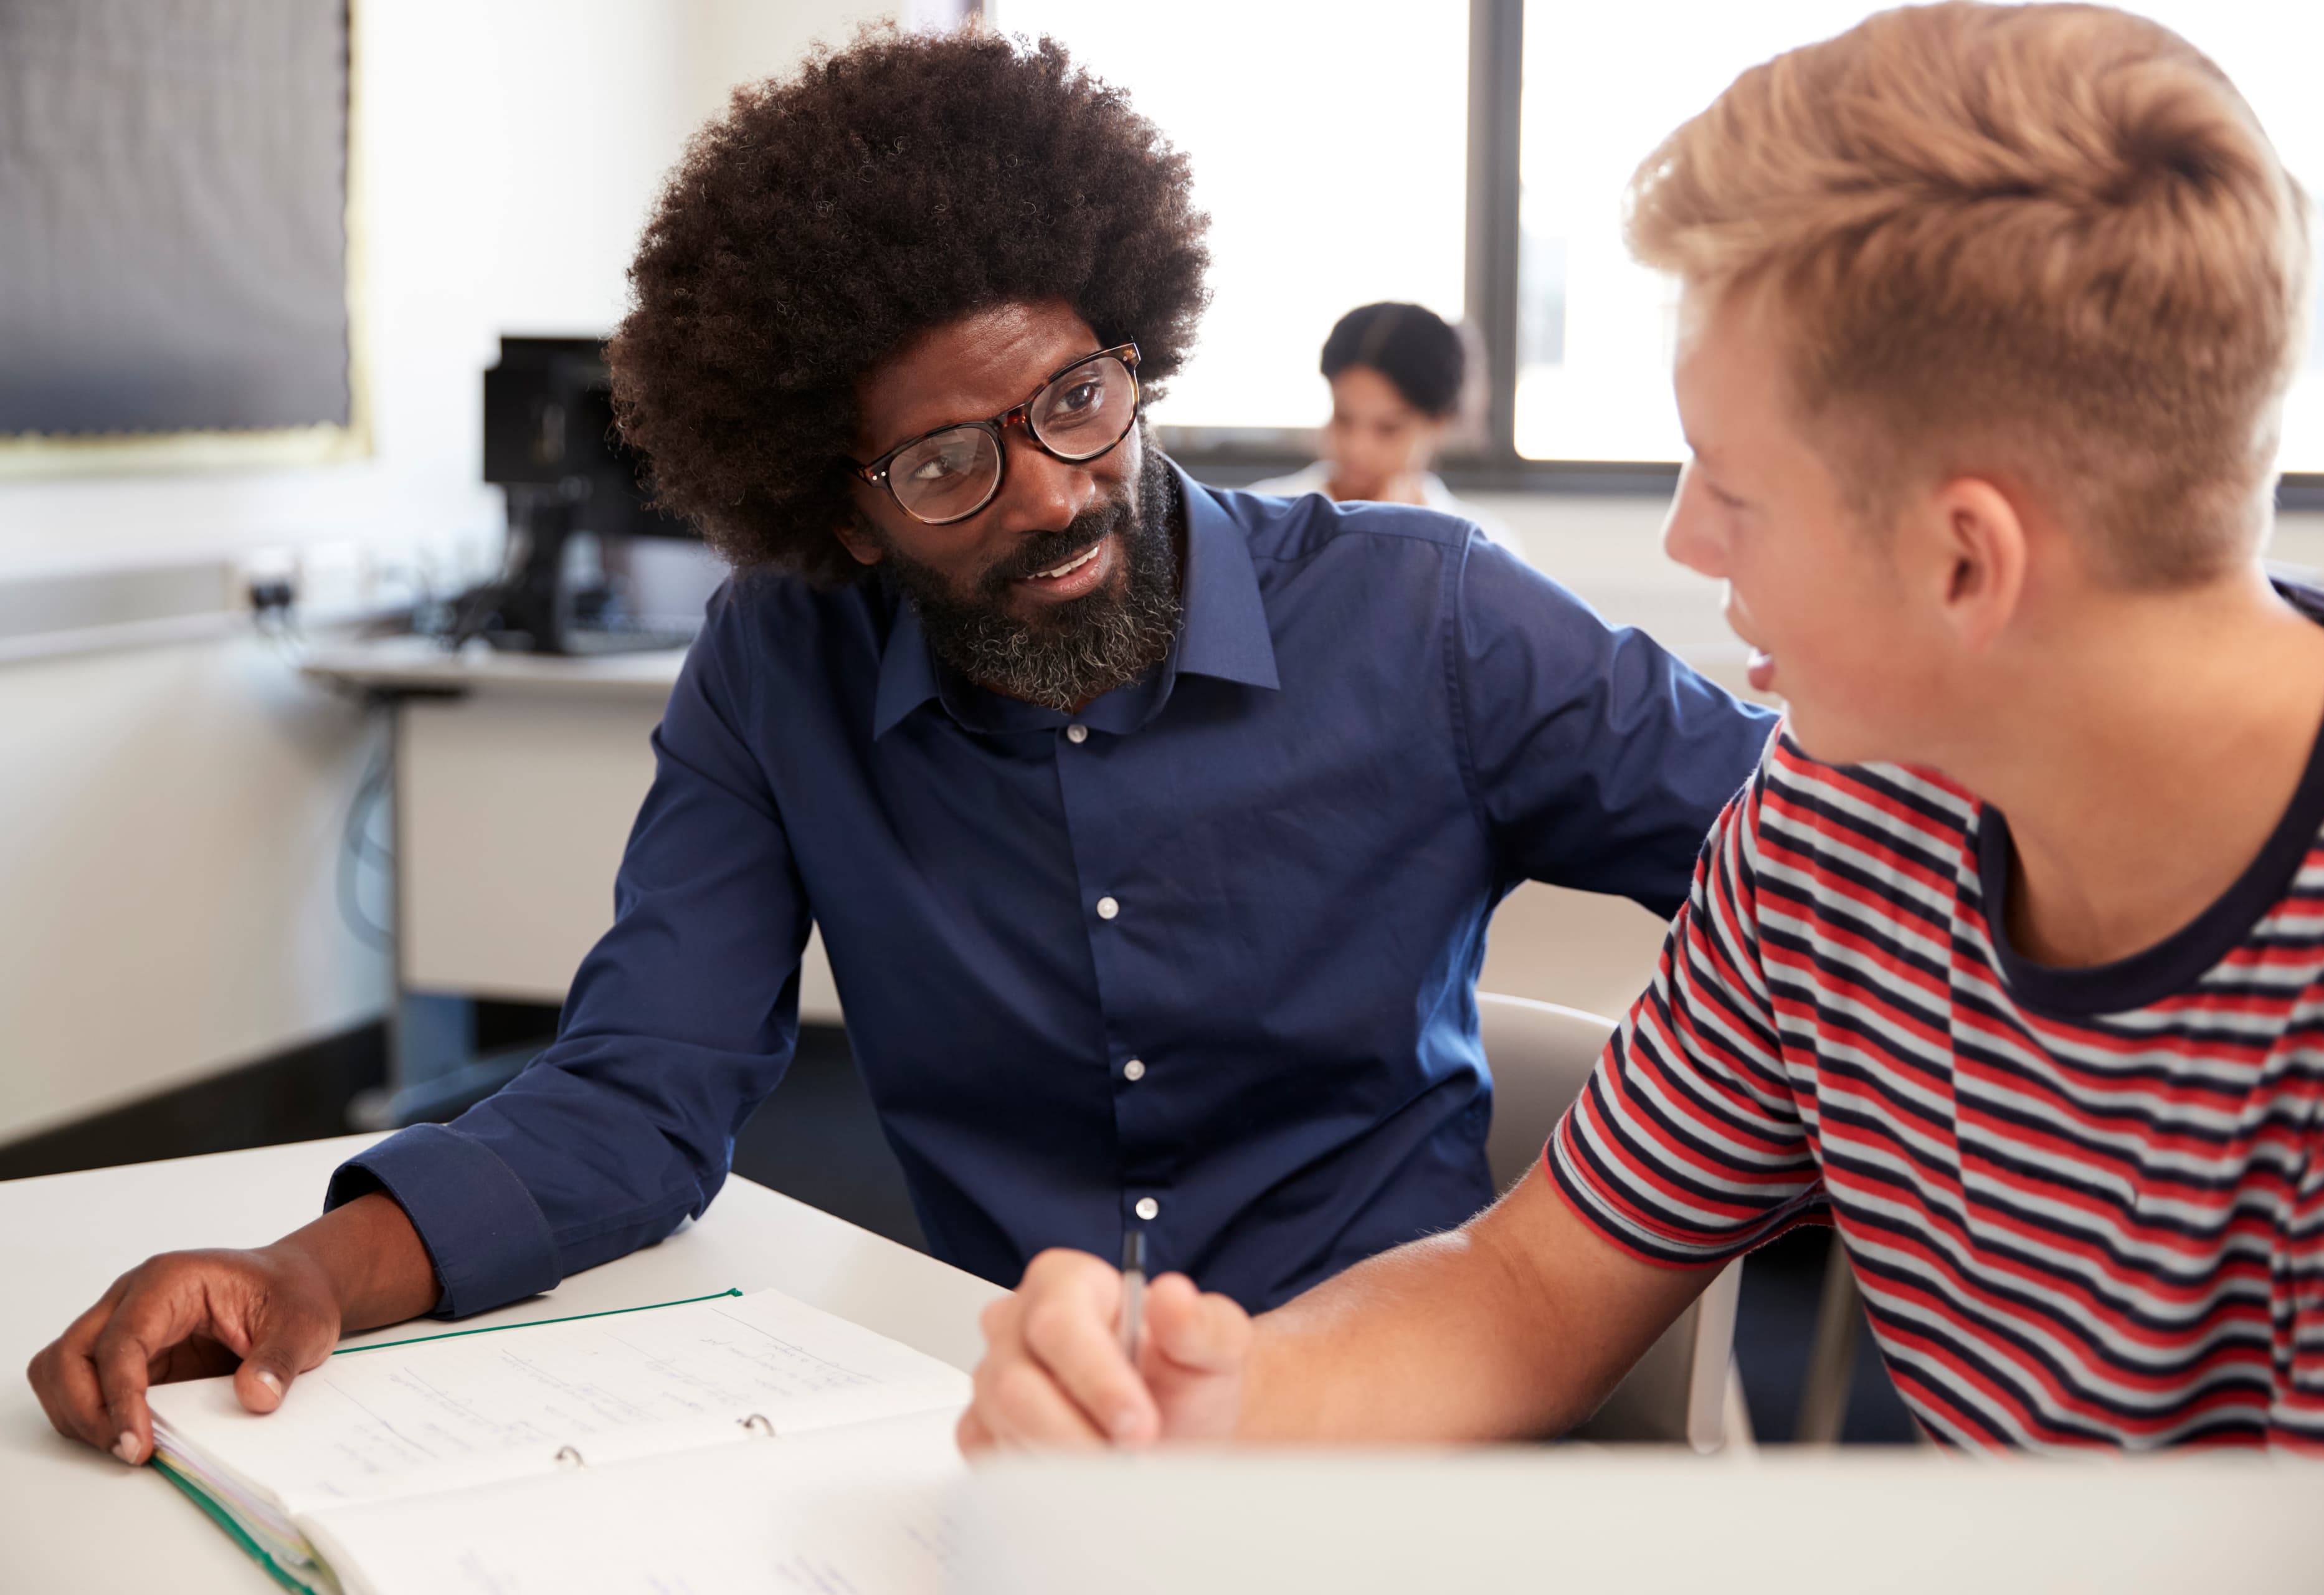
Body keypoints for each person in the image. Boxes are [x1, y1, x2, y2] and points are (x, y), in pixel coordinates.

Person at [27, 27, 1775, 1469]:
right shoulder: (781, 662)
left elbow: (1815, 861)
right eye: (948, 467)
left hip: (1405, 1438)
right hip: (1019, 1440)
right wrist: (305, 1268)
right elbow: (645, 1089)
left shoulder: (1431, 618)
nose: (1056, 495)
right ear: (842, 516)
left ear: (1136, 347)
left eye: (1076, 400)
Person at [964, 2, 2324, 1580]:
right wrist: (1217, 1410)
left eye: (1729, 481)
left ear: (1962, 559)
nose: (1683, 543)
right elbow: (1533, 1286)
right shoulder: (1841, 812)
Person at [1246, 303, 1520, 551]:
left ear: (1438, 425)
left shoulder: (1483, 544)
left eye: (1388, 428)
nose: (1357, 448)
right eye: (1344, 418)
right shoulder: (1262, 516)